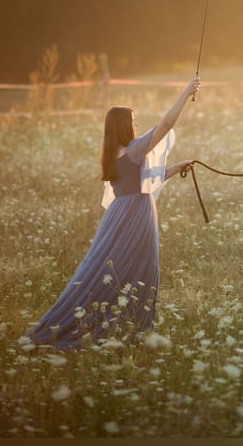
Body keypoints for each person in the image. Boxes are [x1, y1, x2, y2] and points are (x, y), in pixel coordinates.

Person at [24, 76, 201, 350]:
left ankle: (118, 326)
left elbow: (142, 179)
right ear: (123, 126)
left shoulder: (115, 152)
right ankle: (132, 330)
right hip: (136, 215)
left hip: (120, 213)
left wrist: (176, 167)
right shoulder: (133, 149)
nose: (137, 126)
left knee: (111, 268)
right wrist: (186, 91)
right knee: (137, 271)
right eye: (133, 122)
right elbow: (166, 124)